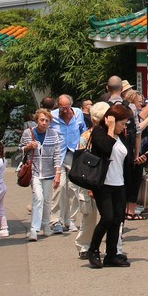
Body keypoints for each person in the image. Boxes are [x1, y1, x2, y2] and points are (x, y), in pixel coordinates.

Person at [86, 102, 133, 268]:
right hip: (103, 184)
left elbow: (125, 157)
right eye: (122, 123)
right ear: (111, 120)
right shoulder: (99, 132)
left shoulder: (121, 136)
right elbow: (105, 149)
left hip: (119, 183)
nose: (124, 127)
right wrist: (111, 129)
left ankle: (111, 255)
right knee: (107, 217)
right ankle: (93, 250)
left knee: (117, 220)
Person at [19, 108, 63, 241]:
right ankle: (34, 229)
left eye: (47, 121)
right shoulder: (28, 133)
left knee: (48, 199)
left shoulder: (53, 134)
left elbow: (57, 154)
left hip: (49, 172)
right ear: (37, 120)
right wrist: (27, 147)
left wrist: (57, 173)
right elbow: (20, 148)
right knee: (38, 197)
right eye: (41, 120)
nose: (44, 123)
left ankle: (46, 225)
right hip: (34, 171)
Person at [73, 102, 107, 259]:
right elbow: (81, 160)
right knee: (89, 214)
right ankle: (84, 245)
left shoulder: (109, 136)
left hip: (105, 179)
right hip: (90, 180)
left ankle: (92, 245)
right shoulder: (87, 136)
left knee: (105, 215)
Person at [52, 95, 86, 232]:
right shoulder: (52, 116)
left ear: (70, 106)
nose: (64, 111)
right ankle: (55, 221)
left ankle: (70, 220)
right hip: (58, 155)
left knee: (74, 189)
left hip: (74, 153)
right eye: (61, 108)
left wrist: (83, 149)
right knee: (59, 188)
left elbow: (83, 131)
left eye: (66, 108)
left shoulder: (78, 113)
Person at [121, 88, 148, 221]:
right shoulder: (132, 110)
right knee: (133, 181)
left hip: (123, 150)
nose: (141, 104)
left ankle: (125, 210)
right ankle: (130, 211)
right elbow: (138, 131)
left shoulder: (120, 109)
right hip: (132, 151)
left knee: (126, 181)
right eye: (139, 101)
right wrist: (136, 154)